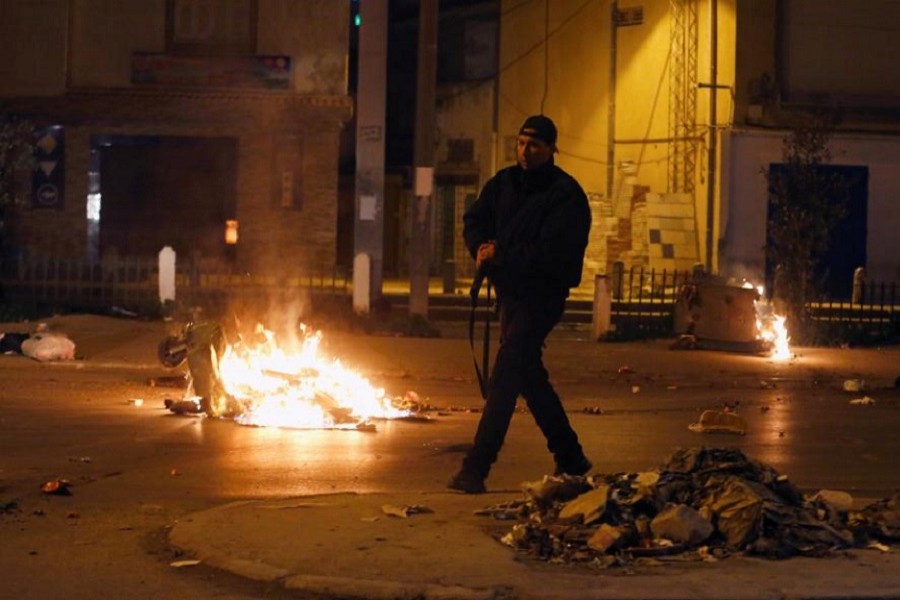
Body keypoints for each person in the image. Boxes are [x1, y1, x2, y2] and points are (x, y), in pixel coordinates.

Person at [448, 114, 593, 494]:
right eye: (521, 143)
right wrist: (480, 246)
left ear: (551, 149)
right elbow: (474, 219)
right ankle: (571, 456)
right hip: (511, 295)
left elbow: (554, 254)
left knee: (507, 375)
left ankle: (476, 467)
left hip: (542, 298)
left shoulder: (566, 196)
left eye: (534, 146)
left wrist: (503, 253)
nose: (525, 152)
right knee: (528, 374)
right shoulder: (504, 184)